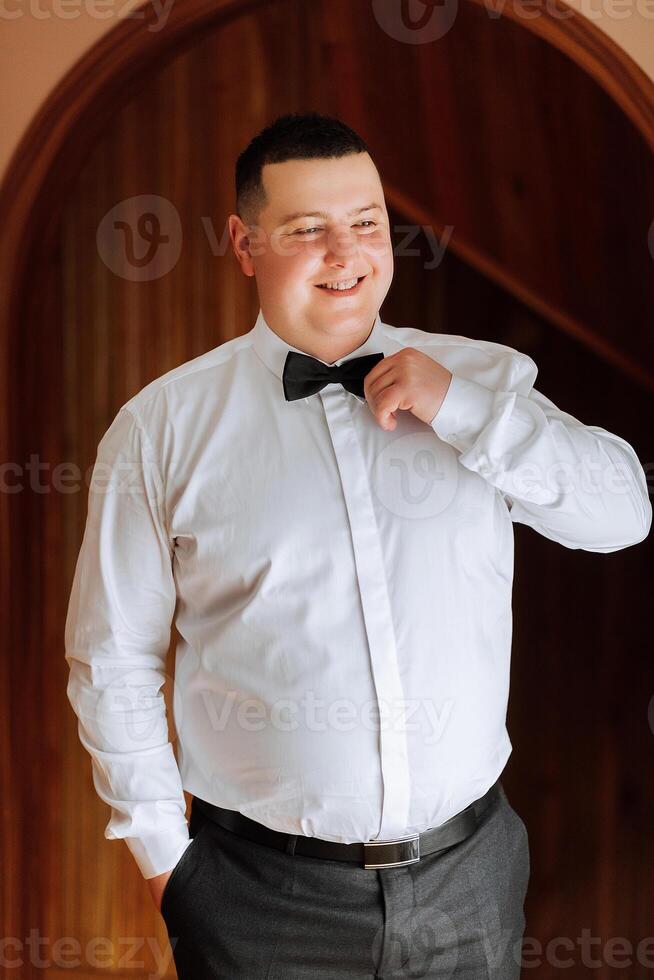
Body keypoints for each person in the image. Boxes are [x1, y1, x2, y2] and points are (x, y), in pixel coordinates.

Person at [64, 111, 651, 979]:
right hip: (257, 895)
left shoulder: (482, 381)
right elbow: (111, 657)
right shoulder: (162, 429)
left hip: (471, 877)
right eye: (307, 230)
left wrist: (465, 410)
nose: (347, 254)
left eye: (367, 223)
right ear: (244, 242)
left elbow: (624, 514)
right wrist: (167, 865)